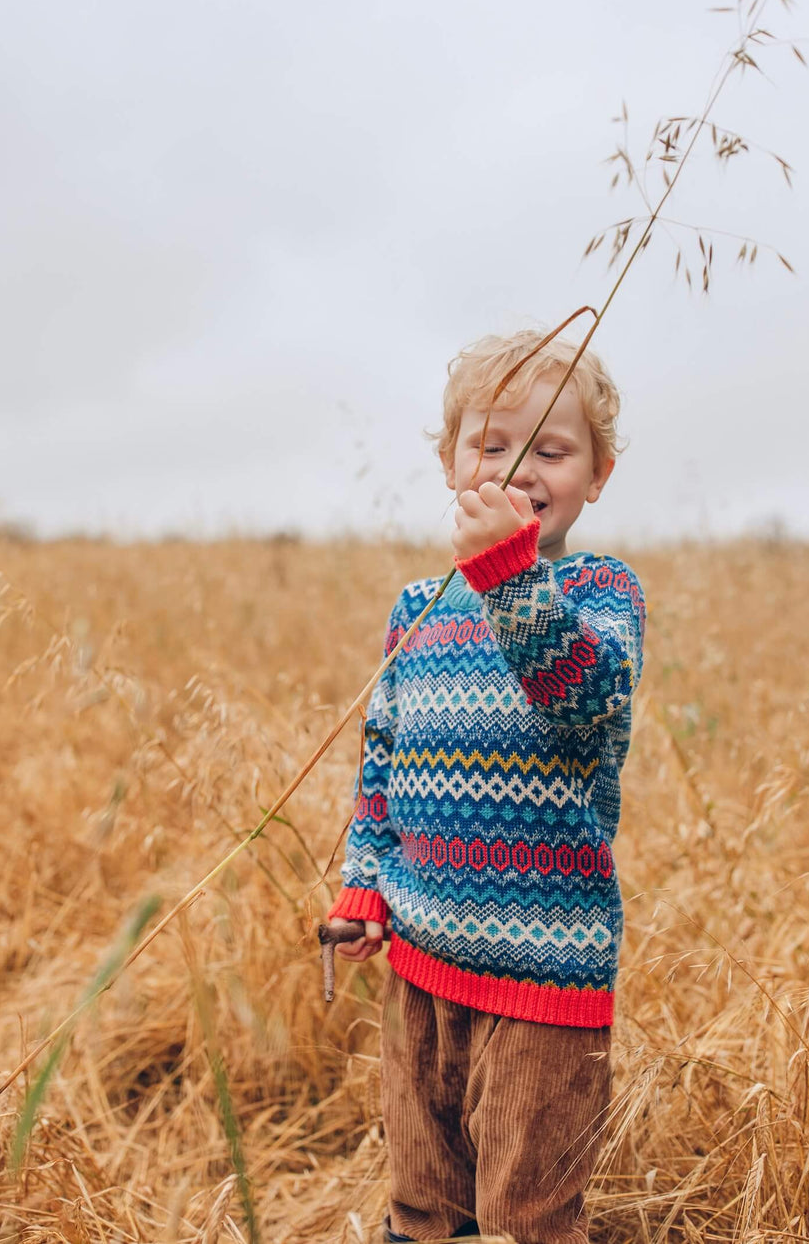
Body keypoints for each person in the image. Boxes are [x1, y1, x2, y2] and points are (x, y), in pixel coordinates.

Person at [328, 330, 646, 1243]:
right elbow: (383, 758)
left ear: (598, 473)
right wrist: (366, 882)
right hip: (420, 964)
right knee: (426, 1198)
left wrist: (509, 576)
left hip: (542, 978)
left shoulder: (599, 592)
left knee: (525, 1213)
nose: (518, 467)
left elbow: (585, 698)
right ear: (449, 460)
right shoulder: (417, 609)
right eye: (492, 443)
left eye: (553, 448)